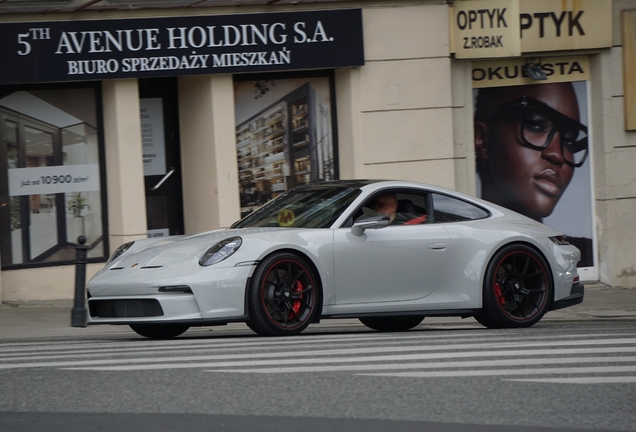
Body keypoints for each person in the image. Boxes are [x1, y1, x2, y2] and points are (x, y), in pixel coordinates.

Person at [474, 82, 593, 266]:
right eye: (536, 125)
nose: (557, 155)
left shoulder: (581, 256)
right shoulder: (465, 253)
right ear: (481, 138)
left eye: (569, 140)